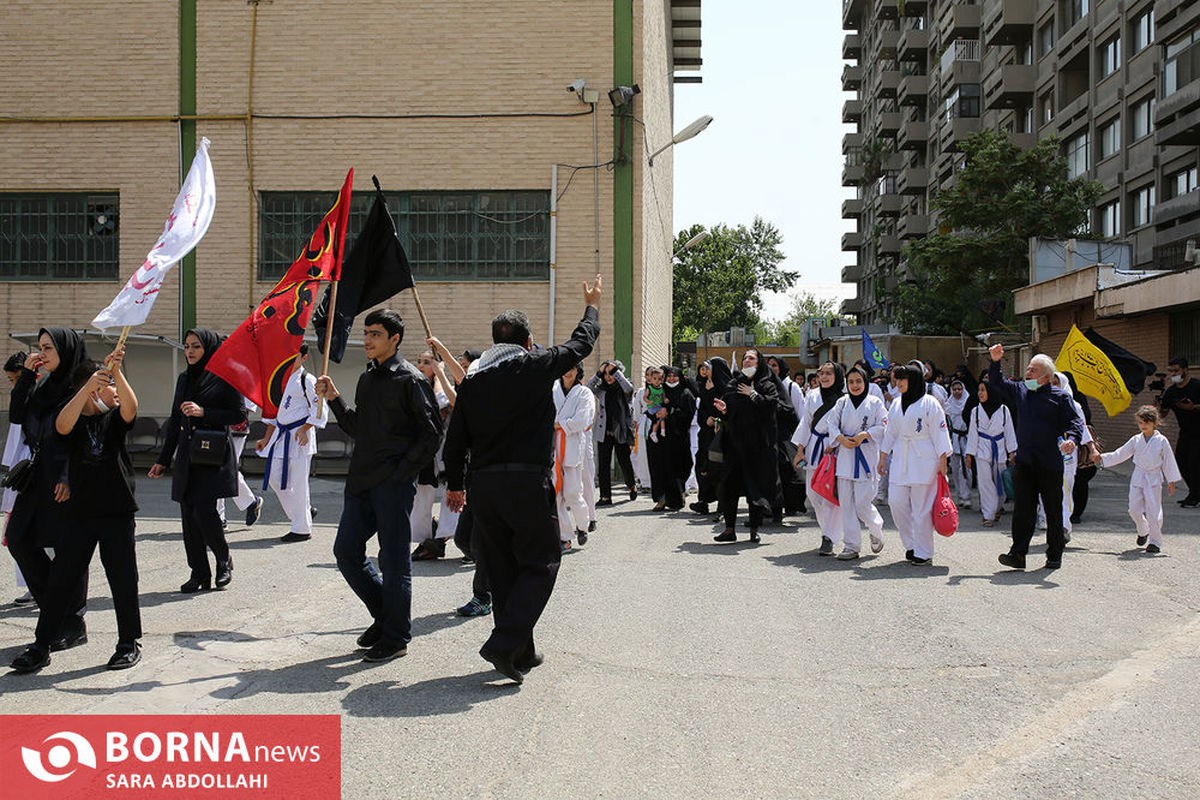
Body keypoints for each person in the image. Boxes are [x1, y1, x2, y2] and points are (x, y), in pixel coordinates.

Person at [443, 276, 602, 684]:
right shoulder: (535, 366)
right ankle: (503, 642)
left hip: (485, 487)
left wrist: (456, 485)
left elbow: (456, 439)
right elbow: (581, 344)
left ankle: (521, 652)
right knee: (542, 560)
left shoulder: (473, 382)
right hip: (526, 484)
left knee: (501, 568)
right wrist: (592, 305)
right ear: (528, 341)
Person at [315, 309, 443, 663]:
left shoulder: (411, 380)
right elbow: (359, 428)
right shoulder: (368, 378)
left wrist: (402, 473)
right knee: (346, 552)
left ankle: (396, 636)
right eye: (366, 333)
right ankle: (385, 616)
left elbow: (432, 435)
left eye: (375, 334)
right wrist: (335, 400)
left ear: (394, 339)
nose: (367, 340)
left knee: (394, 560)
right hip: (361, 482)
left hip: (392, 485)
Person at [11, 351, 143, 673]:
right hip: (80, 514)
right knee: (61, 580)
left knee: (123, 580)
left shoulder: (113, 417)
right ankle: (41, 646)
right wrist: (87, 388)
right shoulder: (72, 415)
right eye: (108, 384)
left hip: (116, 511)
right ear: (92, 388)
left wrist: (117, 372)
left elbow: (131, 407)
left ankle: (128, 643)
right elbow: (61, 424)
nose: (113, 389)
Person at [7, 327, 90, 651]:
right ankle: (54, 611)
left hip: (68, 477)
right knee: (18, 538)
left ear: (65, 351)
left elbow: (84, 435)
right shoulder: (42, 387)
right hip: (37, 476)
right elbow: (17, 416)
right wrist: (27, 375)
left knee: (70, 551)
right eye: (39, 347)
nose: (42, 354)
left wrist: (69, 477)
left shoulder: (80, 385)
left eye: (49, 348)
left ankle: (74, 621)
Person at [149, 328, 246, 593]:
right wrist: (163, 459)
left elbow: (238, 414)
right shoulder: (183, 379)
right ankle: (199, 573)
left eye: (196, 346)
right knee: (188, 514)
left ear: (210, 349)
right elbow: (175, 419)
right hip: (186, 455)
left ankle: (223, 559)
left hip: (211, 454)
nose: (190, 351)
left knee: (204, 510)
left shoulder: (226, 375)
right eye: (187, 346)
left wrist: (204, 412)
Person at [987, 344, 1083, 571]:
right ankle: (1018, 554)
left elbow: (1074, 423)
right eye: (1028, 369)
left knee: (1052, 510)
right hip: (1025, 462)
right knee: (1023, 510)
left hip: (1049, 462)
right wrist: (995, 361)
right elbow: (997, 383)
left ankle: (1054, 555)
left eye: (1032, 370)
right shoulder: (1021, 390)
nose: (1027, 373)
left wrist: (1072, 440)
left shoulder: (1060, 397)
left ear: (1045, 377)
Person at [878, 365, 952, 566]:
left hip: (925, 459)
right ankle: (911, 544)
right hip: (901, 456)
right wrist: (883, 456)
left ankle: (924, 551)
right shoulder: (895, 404)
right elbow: (890, 433)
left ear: (915, 380)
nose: (899, 383)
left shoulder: (930, 403)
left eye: (903, 379)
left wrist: (943, 460)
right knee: (896, 502)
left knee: (922, 508)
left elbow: (940, 432)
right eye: (897, 379)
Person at [254, 343, 326, 543]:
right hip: (281, 435)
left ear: (303, 357)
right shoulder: (279, 380)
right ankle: (303, 513)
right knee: (275, 478)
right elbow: (274, 414)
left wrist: (305, 429)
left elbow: (319, 408)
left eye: (293, 356)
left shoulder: (307, 379)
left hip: (300, 436)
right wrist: (266, 439)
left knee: (299, 484)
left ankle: (301, 528)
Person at [815, 364, 888, 559]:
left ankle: (876, 528)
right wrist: (840, 439)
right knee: (846, 504)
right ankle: (851, 546)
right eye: (851, 382)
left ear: (865, 382)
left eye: (858, 381)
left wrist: (866, 434)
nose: (855, 385)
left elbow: (884, 424)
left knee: (863, 503)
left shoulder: (875, 403)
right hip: (845, 457)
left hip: (866, 456)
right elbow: (831, 423)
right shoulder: (842, 402)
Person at [1093, 405, 1181, 554]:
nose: (1143, 426)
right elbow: (1121, 453)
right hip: (1139, 476)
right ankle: (1143, 529)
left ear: (1155, 423)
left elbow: (1168, 461)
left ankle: (1155, 542)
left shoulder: (1161, 441)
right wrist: (1102, 458)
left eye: (1146, 422)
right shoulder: (1136, 440)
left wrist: (1171, 481)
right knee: (1134, 509)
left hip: (1154, 477)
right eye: (1140, 423)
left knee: (1153, 511)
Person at [714, 349, 780, 543]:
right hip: (734, 446)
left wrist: (753, 394)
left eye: (751, 358)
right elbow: (729, 409)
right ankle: (729, 529)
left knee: (755, 489)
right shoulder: (734, 384)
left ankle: (753, 529)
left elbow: (772, 406)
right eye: (745, 358)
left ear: (759, 363)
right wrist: (724, 411)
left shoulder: (766, 384)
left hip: (757, 447)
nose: (747, 361)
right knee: (730, 487)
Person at [792, 362, 845, 555]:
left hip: (834, 450)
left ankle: (829, 537)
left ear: (837, 375)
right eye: (821, 373)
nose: (824, 377)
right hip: (814, 446)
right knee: (814, 495)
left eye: (829, 373)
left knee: (830, 496)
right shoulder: (812, 395)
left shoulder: (844, 399)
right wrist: (800, 449)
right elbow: (805, 423)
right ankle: (827, 532)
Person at [410, 347, 456, 561]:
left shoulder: (445, 388)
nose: (421, 366)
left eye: (427, 362)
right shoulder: (415, 385)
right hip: (421, 451)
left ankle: (440, 539)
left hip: (446, 450)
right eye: (420, 361)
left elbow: (441, 405)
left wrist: (439, 374)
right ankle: (428, 538)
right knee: (420, 495)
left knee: (452, 494)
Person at [553, 362, 596, 551]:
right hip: (551, 447)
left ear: (577, 371)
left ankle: (583, 525)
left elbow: (582, 420)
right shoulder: (553, 388)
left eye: (571, 368)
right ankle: (564, 537)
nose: (567, 372)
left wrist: (559, 424)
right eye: (564, 368)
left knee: (572, 492)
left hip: (572, 446)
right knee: (555, 495)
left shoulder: (584, 393)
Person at [2, 352, 33, 605]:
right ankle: (32, 584)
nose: (14, 385)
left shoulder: (40, 396)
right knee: (19, 533)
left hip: (36, 470)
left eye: (17, 379)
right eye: (11, 381)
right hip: (21, 471)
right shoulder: (19, 399)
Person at [964, 381, 1016, 527]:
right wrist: (969, 454)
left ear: (991, 392)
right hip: (982, 448)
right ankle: (988, 514)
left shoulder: (1004, 410)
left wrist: (1012, 452)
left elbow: (1010, 432)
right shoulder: (975, 411)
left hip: (999, 448)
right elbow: (973, 433)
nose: (980, 393)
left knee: (999, 480)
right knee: (985, 482)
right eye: (979, 390)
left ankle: (997, 507)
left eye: (983, 390)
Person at [588, 360, 636, 506]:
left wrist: (615, 370)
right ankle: (605, 497)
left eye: (612, 374)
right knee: (603, 465)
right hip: (604, 431)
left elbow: (629, 388)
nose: (608, 377)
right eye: (606, 374)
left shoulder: (624, 388)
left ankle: (631, 485)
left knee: (624, 462)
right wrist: (598, 373)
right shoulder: (601, 389)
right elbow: (588, 388)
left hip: (620, 430)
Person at [648, 366, 695, 511]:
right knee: (658, 468)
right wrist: (656, 414)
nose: (671, 379)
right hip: (659, 438)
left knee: (677, 467)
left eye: (675, 376)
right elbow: (650, 408)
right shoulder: (660, 391)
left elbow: (688, 413)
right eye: (669, 376)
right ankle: (661, 499)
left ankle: (677, 496)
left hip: (677, 437)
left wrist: (669, 411)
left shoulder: (686, 393)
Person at [767, 355, 805, 519]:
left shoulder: (791, 387)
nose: (772, 369)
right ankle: (774, 508)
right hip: (770, 436)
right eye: (769, 365)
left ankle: (791, 505)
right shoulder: (766, 386)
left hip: (787, 436)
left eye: (774, 365)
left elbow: (800, 413)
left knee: (789, 473)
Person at [1160, 357, 1200, 508]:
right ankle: (1195, 492)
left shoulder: (1197, 386)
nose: (1173, 374)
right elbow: (1163, 413)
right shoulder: (1171, 392)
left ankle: (1195, 495)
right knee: (1181, 463)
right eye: (1171, 371)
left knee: (1194, 463)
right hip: (1186, 432)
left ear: (1185, 370)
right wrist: (1157, 407)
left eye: (1176, 370)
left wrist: (1193, 408)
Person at [944, 379, 973, 508]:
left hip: (966, 438)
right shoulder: (948, 405)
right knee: (955, 469)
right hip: (955, 438)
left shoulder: (969, 403)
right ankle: (960, 495)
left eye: (959, 389)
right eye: (955, 389)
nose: (957, 392)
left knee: (966, 469)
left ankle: (967, 495)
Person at [630, 366, 656, 491]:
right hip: (644, 423)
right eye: (647, 374)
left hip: (657, 422)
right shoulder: (641, 392)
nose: (649, 377)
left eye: (652, 374)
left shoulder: (661, 390)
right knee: (642, 453)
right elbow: (637, 409)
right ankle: (646, 482)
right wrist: (637, 423)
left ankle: (656, 480)